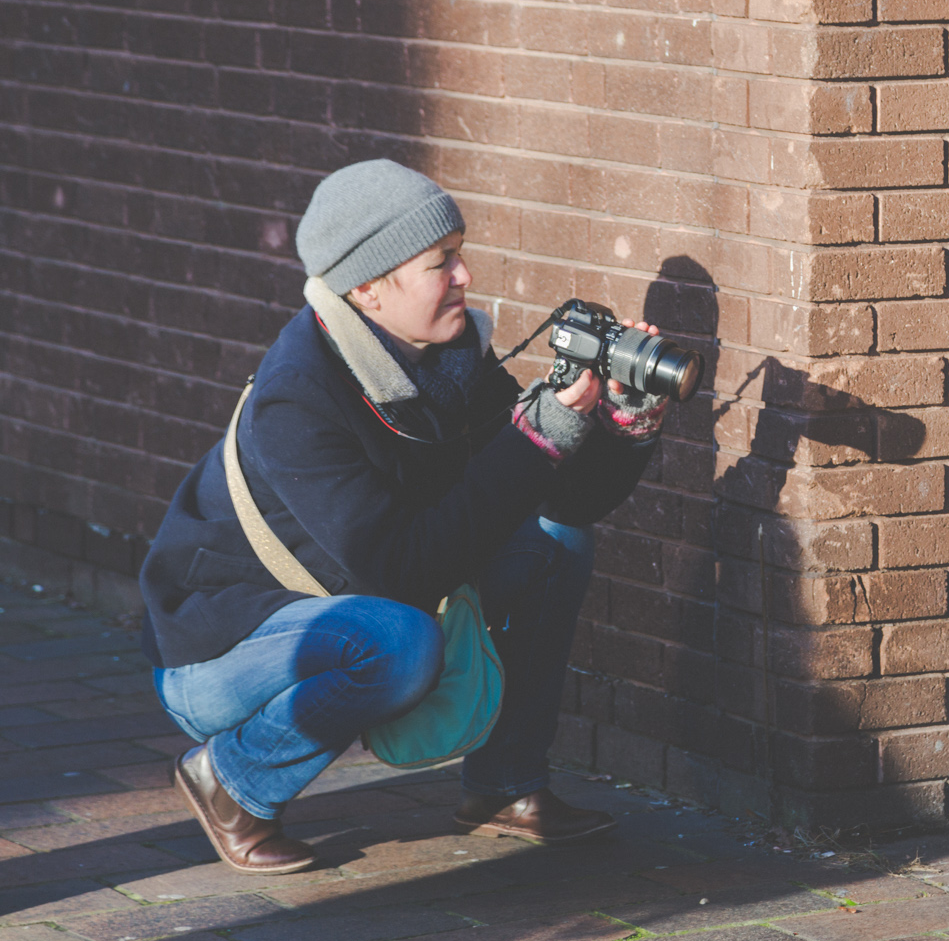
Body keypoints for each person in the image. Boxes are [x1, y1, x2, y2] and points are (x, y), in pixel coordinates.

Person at [139, 160, 671, 874]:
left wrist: (622, 421)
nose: (465, 275)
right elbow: (400, 566)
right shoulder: (298, 396)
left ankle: (504, 784)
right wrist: (534, 437)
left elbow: (560, 498)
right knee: (399, 641)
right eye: (440, 262)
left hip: (340, 606)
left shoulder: (449, 359)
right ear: (367, 286)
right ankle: (231, 780)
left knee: (556, 542)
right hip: (219, 647)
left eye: (458, 254)